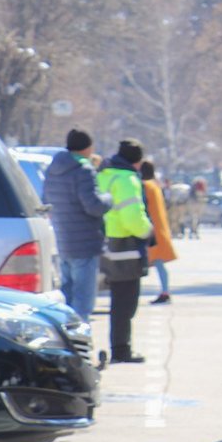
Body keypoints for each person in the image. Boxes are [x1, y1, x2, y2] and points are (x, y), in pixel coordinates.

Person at [96, 140, 153, 364]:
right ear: (137, 161)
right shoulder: (127, 179)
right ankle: (121, 349)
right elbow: (132, 217)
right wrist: (147, 230)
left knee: (117, 300)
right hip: (125, 246)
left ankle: (119, 346)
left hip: (106, 241)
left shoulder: (104, 174)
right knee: (126, 302)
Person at [42, 129, 109, 321]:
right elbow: (93, 205)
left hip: (63, 239)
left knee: (67, 296)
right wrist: (108, 198)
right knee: (83, 302)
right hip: (85, 242)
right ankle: (81, 345)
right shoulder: (83, 170)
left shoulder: (53, 169)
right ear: (88, 148)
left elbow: (46, 200)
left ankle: (65, 342)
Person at [138, 161, 176, 305]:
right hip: (160, 229)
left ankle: (165, 292)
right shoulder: (155, 185)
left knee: (156, 261)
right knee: (159, 262)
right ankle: (165, 291)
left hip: (151, 230)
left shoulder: (145, 186)